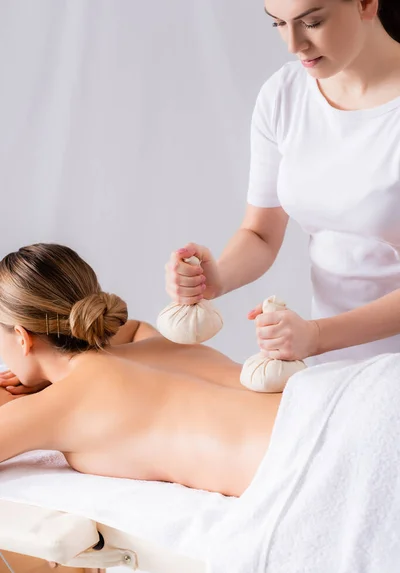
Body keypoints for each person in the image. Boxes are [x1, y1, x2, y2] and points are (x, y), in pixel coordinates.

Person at [165, 0, 400, 366]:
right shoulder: (285, 94)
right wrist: (217, 278)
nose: (294, 44)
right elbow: (261, 233)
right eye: (278, 24)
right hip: (332, 366)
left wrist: (318, 335)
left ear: (366, 3)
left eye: (313, 22)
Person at [0, 243, 281, 498]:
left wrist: (45, 374)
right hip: (310, 401)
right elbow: (131, 329)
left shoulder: (57, 405)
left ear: (23, 338)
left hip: (294, 460)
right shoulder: (157, 343)